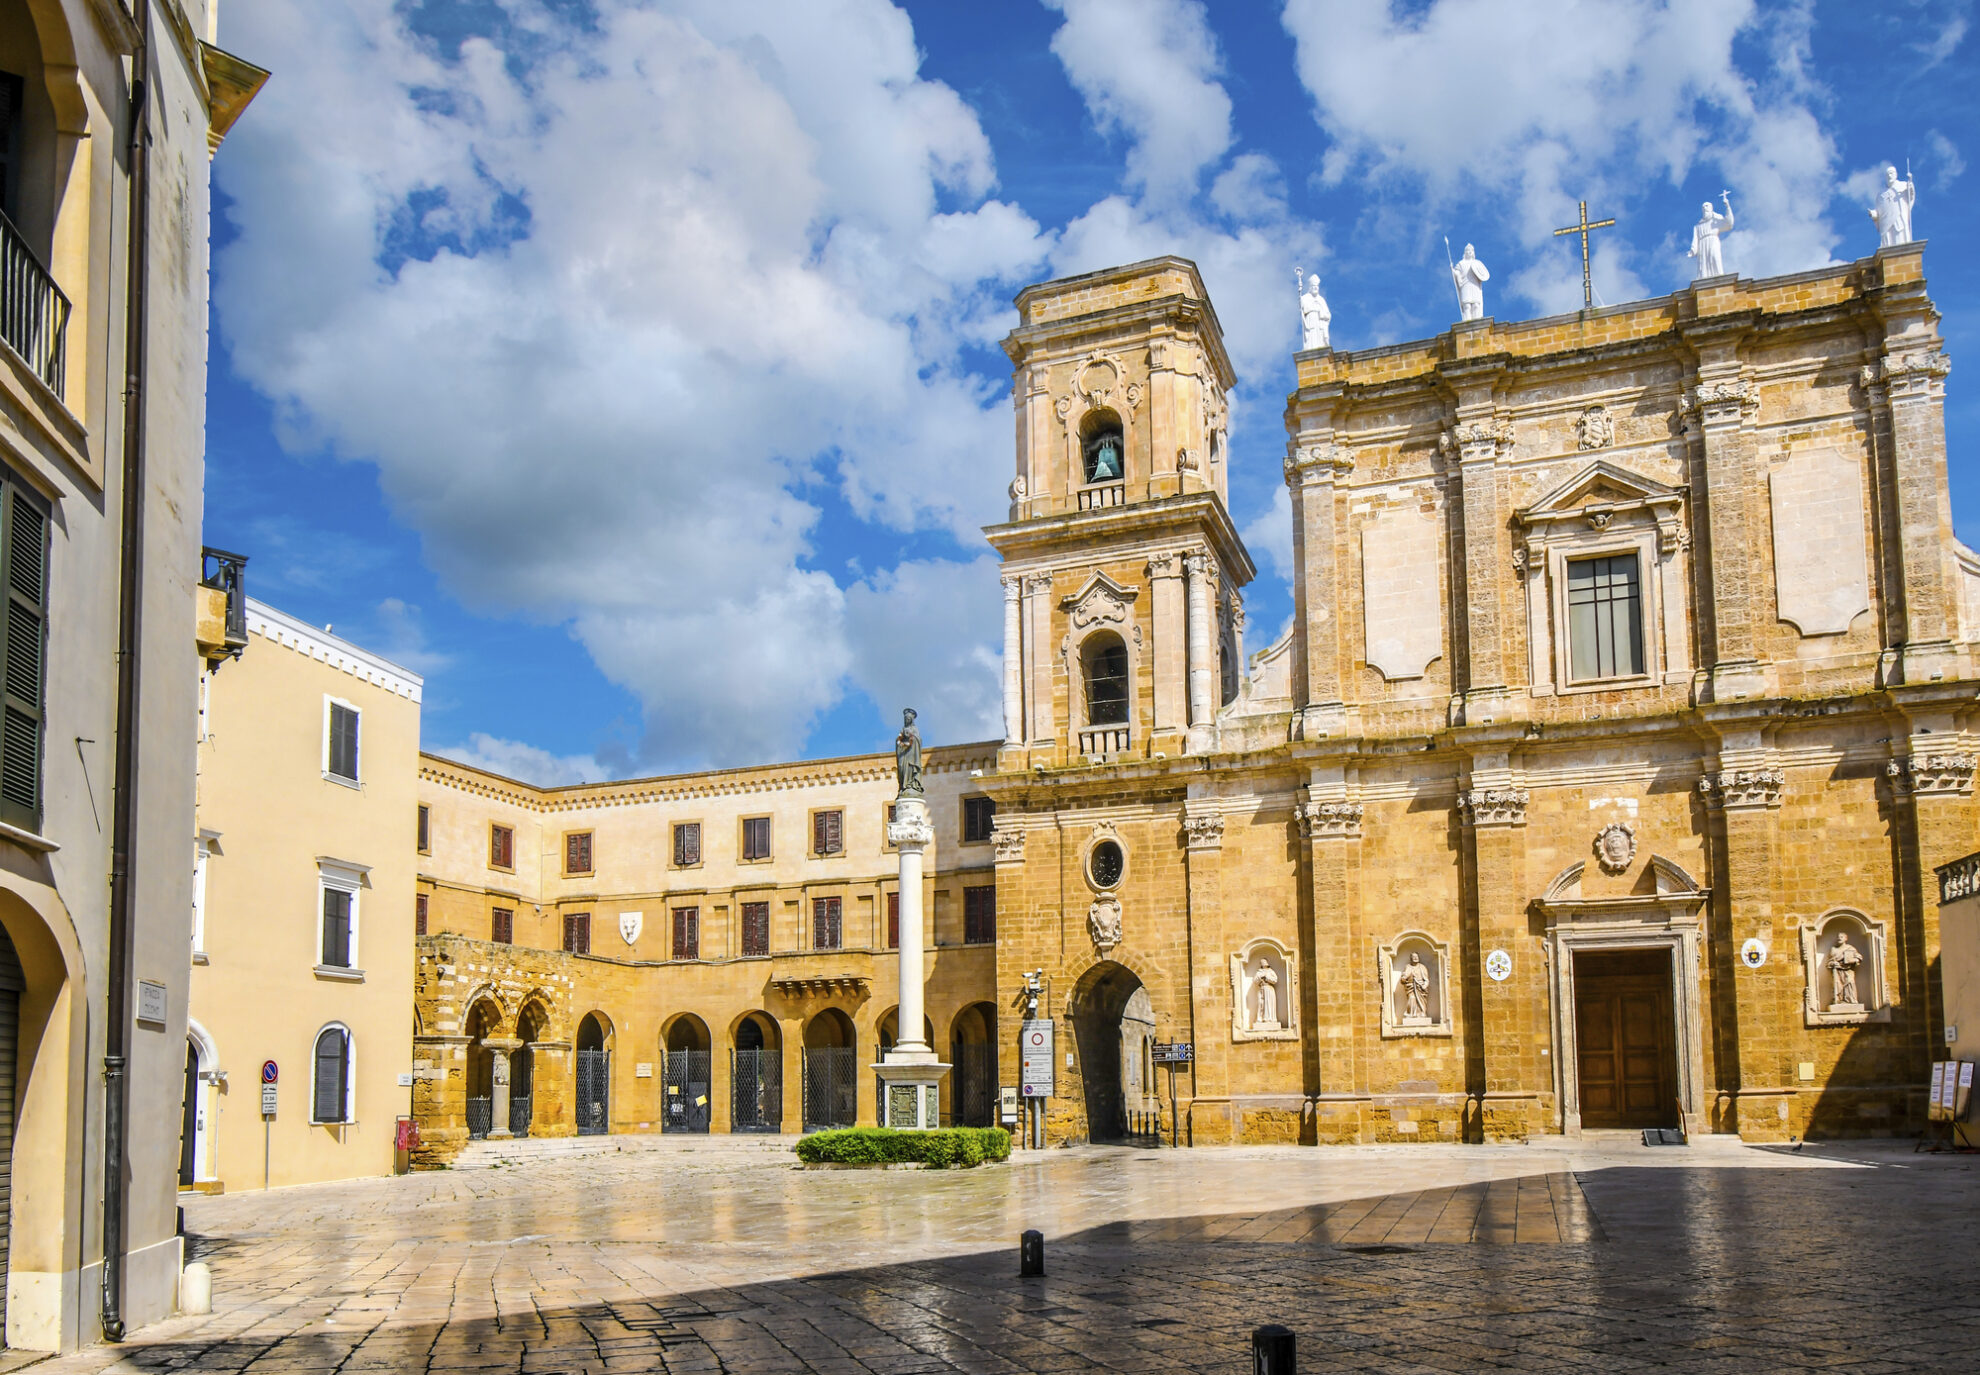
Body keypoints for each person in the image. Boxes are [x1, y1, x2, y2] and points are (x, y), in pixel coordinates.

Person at [1689, 193, 1734, 278]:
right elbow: (1695, 239)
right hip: (1702, 244)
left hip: (1713, 240)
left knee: (1714, 256)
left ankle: (1719, 277)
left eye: (1706, 206)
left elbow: (1729, 224)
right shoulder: (1698, 225)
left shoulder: (1716, 219)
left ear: (1711, 208)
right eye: (1703, 207)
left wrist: (1727, 207)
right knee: (1703, 262)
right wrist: (1693, 250)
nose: (1704, 208)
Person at [1869, 165, 1915, 247]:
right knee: (1887, 241)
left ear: (1896, 174)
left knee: (1900, 237)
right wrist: (1874, 214)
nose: (1890, 176)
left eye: (1891, 173)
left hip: (1899, 218)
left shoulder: (1903, 185)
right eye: (1887, 174)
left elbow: (1910, 196)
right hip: (1886, 222)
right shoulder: (1881, 194)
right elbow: (1879, 210)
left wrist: (1910, 187)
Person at [1296, 267, 1331, 350]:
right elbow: (1302, 308)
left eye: (1317, 287)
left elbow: (1328, 314)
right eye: (1314, 286)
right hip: (1311, 320)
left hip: (1320, 323)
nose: (1315, 288)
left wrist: (1321, 312)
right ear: (1310, 288)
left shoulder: (1321, 299)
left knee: (1320, 340)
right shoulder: (1305, 297)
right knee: (1311, 340)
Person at [1453, 244, 1490, 322]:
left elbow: (1481, 273)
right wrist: (1454, 271)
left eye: (1471, 250)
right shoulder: (1461, 263)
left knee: (1476, 304)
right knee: (1467, 305)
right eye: (1467, 250)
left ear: (1473, 252)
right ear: (1465, 252)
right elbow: (1457, 272)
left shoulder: (1476, 263)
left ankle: (1476, 321)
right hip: (1465, 285)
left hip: (1474, 285)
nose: (1469, 252)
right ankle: (1467, 321)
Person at [894, 707, 923, 797]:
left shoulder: (914, 729)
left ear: (911, 720)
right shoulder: (902, 729)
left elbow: (918, 740)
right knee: (901, 767)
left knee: (911, 768)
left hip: (912, 754)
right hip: (903, 754)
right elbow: (898, 740)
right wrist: (901, 743)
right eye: (905, 719)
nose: (907, 720)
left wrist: (912, 738)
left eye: (908, 719)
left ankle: (911, 784)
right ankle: (903, 786)